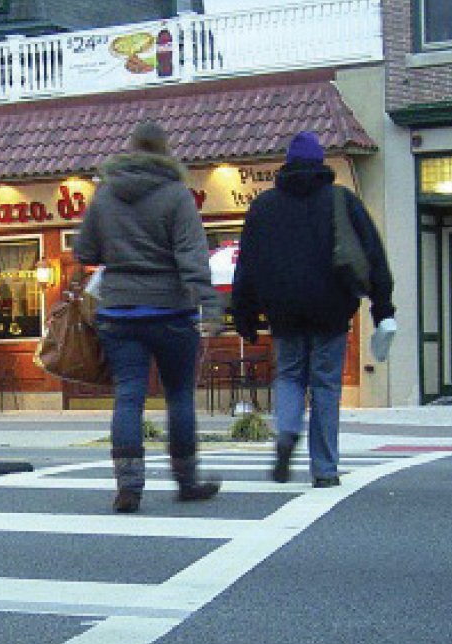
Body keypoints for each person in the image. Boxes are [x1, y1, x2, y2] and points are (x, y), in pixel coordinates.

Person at [230, 130, 398, 488]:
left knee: (289, 376)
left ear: (286, 165)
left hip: (284, 312)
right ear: (321, 163)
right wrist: (382, 307)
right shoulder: (341, 200)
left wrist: (244, 316)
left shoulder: (264, 206)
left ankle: (287, 433)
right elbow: (372, 255)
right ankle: (324, 469)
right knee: (325, 385)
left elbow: (247, 266)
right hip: (331, 308)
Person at [74, 120, 224, 513]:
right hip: (173, 311)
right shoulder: (177, 196)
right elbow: (192, 256)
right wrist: (209, 303)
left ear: (129, 148)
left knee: (128, 397)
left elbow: (85, 251)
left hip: (119, 311)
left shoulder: (105, 195)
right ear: (165, 151)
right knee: (179, 396)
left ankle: (128, 486)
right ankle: (187, 480)